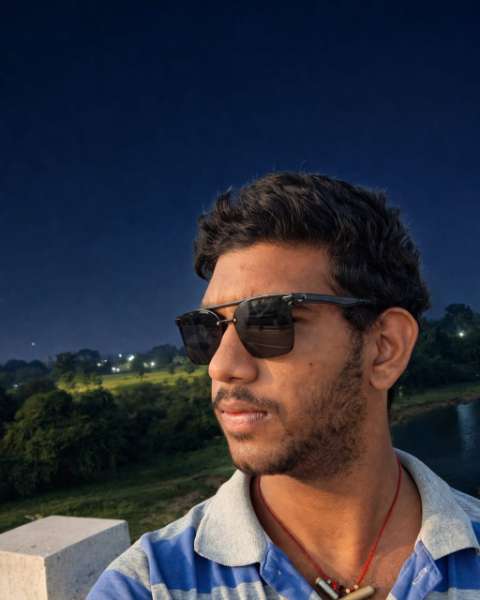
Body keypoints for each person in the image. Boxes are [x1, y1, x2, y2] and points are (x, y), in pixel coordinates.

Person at [88, 173, 480, 599]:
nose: (221, 366)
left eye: (269, 322)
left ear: (385, 348)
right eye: (207, 329)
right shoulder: (146, 586)